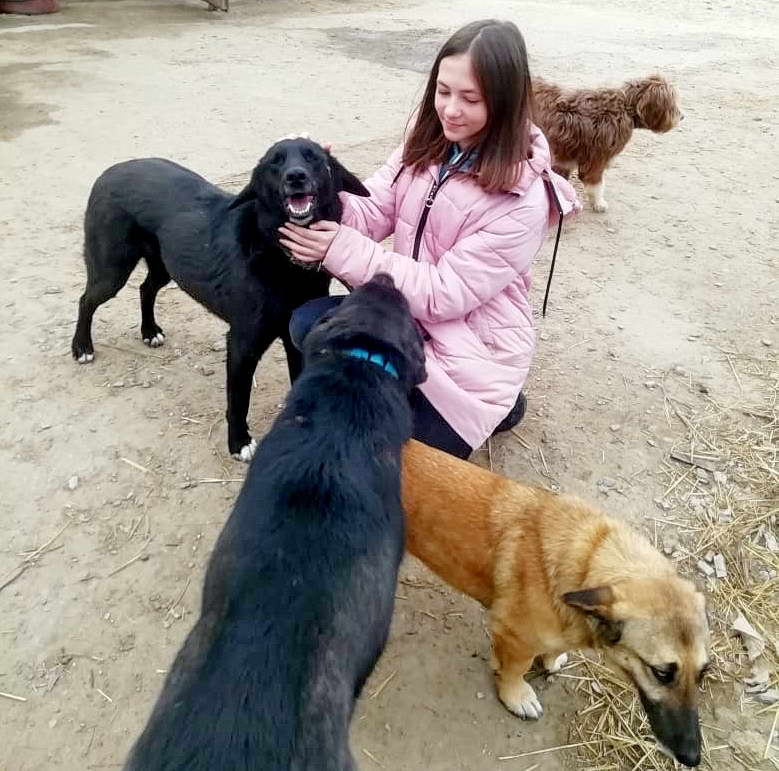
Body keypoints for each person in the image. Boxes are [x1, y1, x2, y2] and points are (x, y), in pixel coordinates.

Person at [279, 19, 580, 460]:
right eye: (443, 91)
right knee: (309, 326)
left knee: (392, 454)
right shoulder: (426, 143)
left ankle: (498, 403)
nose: (451, 110)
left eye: (470, 99)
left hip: (468, 350)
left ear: (505, 102)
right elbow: (373, 210)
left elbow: (442, 293)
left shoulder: (523, 199)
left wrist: (340, 247)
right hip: (410, 320)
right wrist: (320, 183)